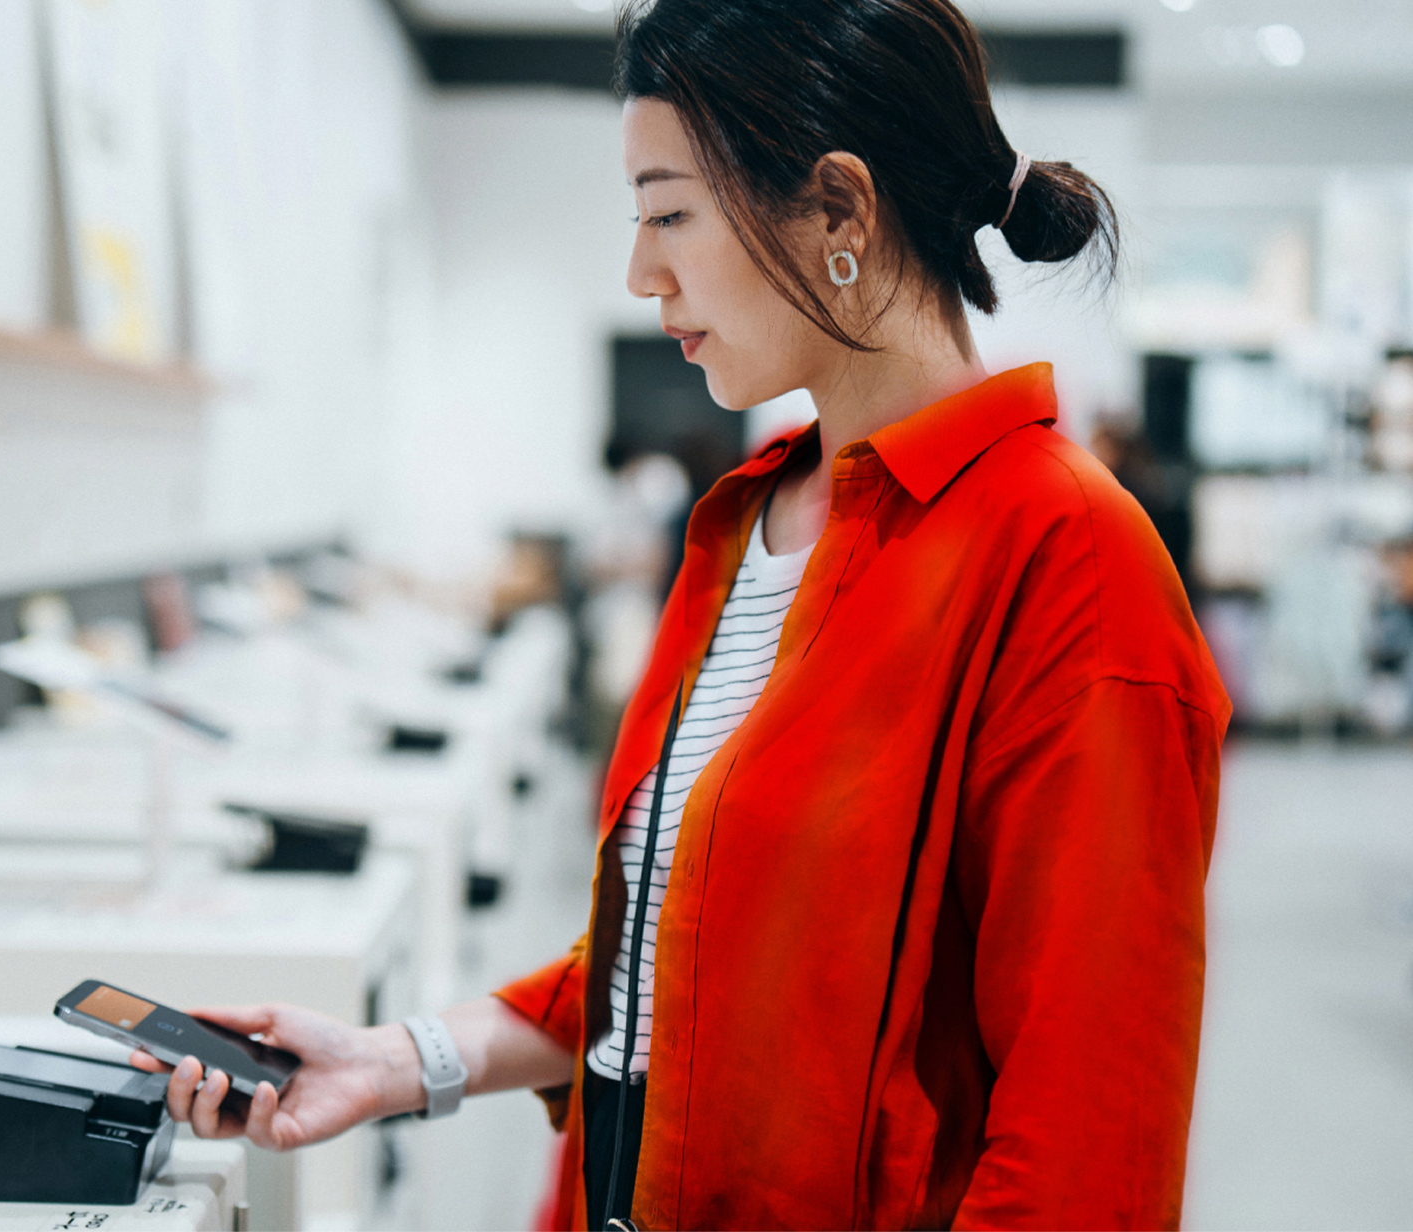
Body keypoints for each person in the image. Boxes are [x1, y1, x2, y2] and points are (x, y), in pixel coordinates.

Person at [131, 0, 1229, 1226]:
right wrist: (394, 1059)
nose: (640, 270)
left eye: (668, 212)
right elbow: (679, 955)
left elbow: (1088, 1151)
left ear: (837, 212)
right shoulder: (743, 524)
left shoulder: (1069, 561)